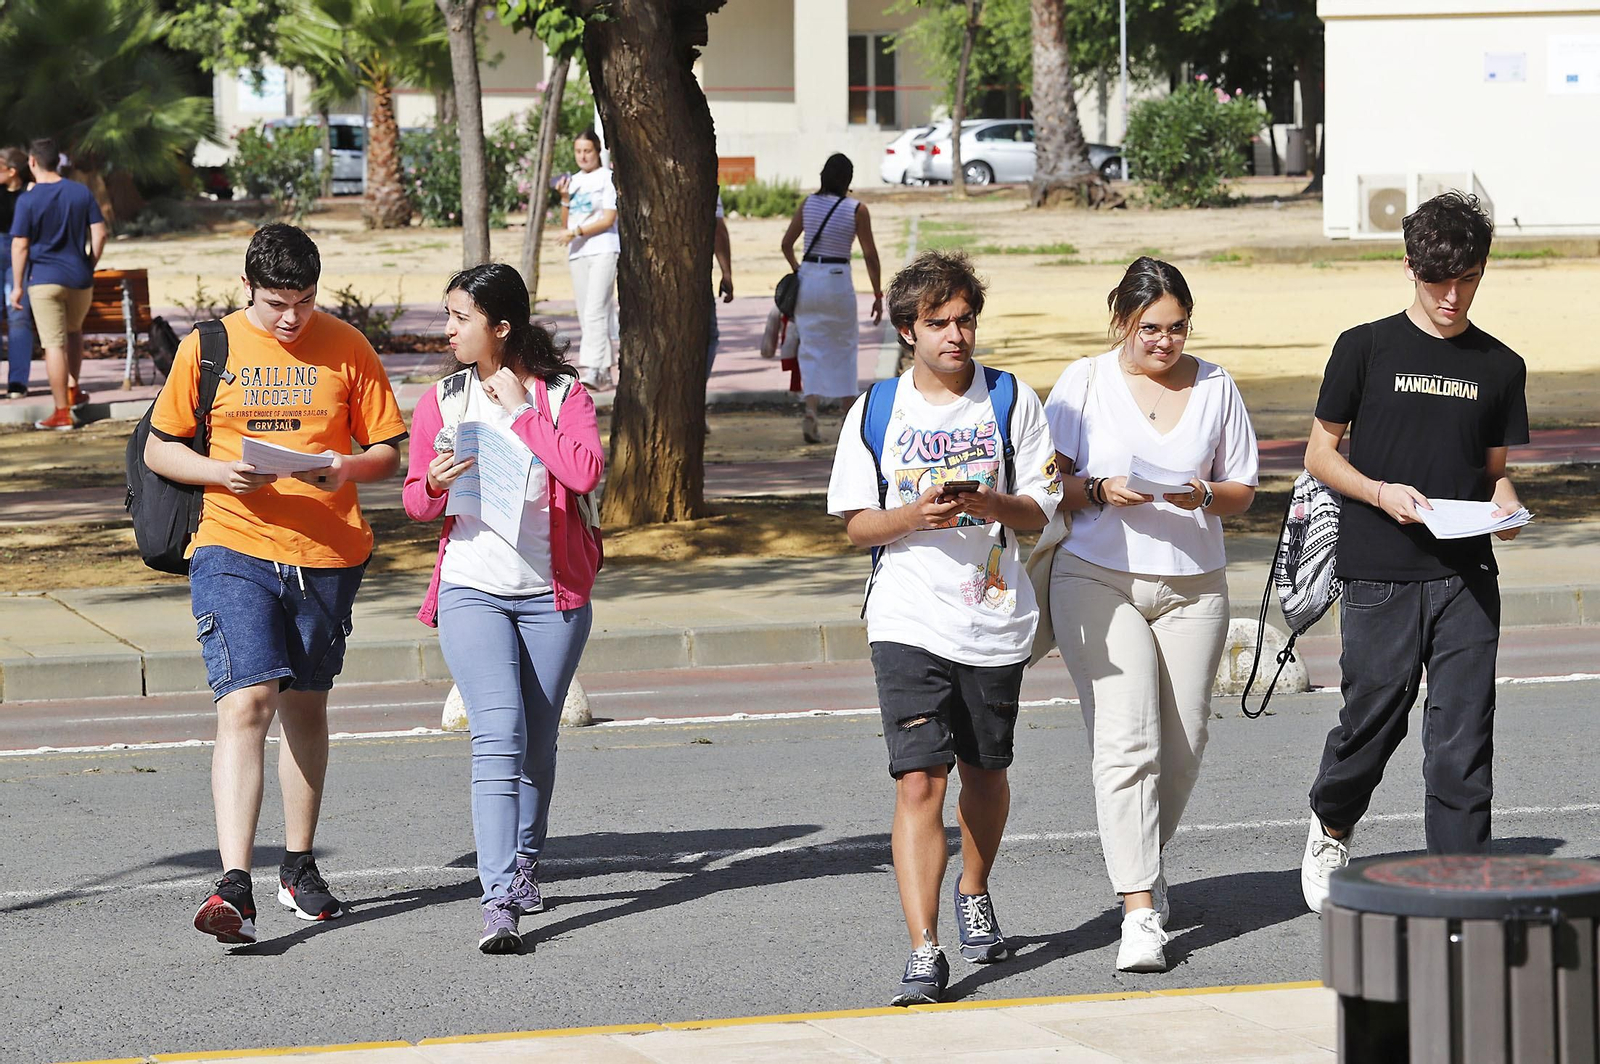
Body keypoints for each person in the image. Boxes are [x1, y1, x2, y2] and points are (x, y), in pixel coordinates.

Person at [144, 223, 407, 945]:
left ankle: (298, 864)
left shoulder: (347, 345)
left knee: (306, 707)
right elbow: (162, 448)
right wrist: (219, 472)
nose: (291, 318)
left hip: (327, 553)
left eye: (304, 301)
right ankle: (234, 882)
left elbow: (387, 450)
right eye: (275, 304)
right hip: (232, 543)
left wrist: (345, 468)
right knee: (248, 699)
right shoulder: (210, 347)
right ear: (247, 288)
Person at [827, 249, 1061, 1005]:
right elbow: (856, 525)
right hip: (906, 615)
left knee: (985, 771)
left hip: (992, 616)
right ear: (908, 330)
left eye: (965, 320)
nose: (956, 335)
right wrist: (911, 516)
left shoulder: (1011, 398)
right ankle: (924, 949)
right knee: (920, 778)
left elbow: (1042, 509)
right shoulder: (877, 410)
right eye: (938, 323)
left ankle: (974, 887)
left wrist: (991, 504)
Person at [1299, 192, 1527, 913]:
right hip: (1379, 568)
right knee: (1374, 718)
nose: (1452, 297)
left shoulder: (1501, 365)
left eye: (1467, 280)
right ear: (1409, 267)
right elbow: (1319, 456)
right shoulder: (1363, 347)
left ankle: (1459, 885)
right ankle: (1332, 820)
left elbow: (1495, 471)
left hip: (1467, 576)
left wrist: (1507, 506)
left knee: (1464, 735)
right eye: (1438, 281)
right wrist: (1378, 492)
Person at [1042, 257, 1258, 972]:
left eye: (1177, 328)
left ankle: (1143, 860)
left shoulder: (1217, 385)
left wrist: (1204, 495)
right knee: (1126, 741)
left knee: (1185, 743)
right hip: (1095, 576)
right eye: (1149, 329)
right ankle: (1138, 911)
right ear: (1121, 322)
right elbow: (1046, 483)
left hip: (1194, 586)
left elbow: (1242, 489)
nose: (1164, 342)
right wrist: (1098, 489)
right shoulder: (1083, 382)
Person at [403, 263, 602, 953]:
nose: (448, 329)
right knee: (498, 735)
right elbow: (415, 500)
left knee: (538, 743)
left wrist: (521, 412)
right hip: (471, 588)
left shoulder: (562, 395)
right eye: (449, 315)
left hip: (552, 595)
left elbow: (583, 471)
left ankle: (522, 867)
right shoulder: (443, 399)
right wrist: (432, 483)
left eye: (461, 318)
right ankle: (497, 902)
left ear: (503, 326)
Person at [781, 153, 883, 444]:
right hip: (837, 279)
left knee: (810, 347)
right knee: (845, 347)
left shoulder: (808, 204)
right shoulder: (857, 209)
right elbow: (870, 255)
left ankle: (811, 410)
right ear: (848, 179)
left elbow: (786, 244)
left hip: (808, 278)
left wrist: (799, 269)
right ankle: (847, 417)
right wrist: (877, 293)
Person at [9, 138, 105, 429]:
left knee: (53, 344)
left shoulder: (28, 199)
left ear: (32, 162)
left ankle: (61, 412)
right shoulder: (80, 192)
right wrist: (89, 264)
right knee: (74, 332)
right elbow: (100, 233)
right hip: (79, 279)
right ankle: (73, 391)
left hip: (44, 280)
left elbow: (20, 245)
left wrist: (17, 286)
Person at [553, 129, 618, 392]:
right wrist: (564, 199)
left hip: (603, 250)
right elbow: (566, 223)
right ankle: (604, 370)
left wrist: (577, 232)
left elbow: (608, 218)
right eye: (578, 151)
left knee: (595, 310)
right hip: (578, 252)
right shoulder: (573, 180)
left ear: (597, 151)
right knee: (586, 312)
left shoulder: (607, 178)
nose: (582, 156)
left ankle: (594, 368)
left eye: (587, 151)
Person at [0, 147, 36, 399]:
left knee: (18, 317)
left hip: (19, 253)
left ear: (12, 171)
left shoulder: (30, 192)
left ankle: (17, 382)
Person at [706, 192, 734, 379]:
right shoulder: (704, 184)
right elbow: (718, 230)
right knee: (708, 335)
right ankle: (696, 387)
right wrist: (727, 273)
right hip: (693, 275)